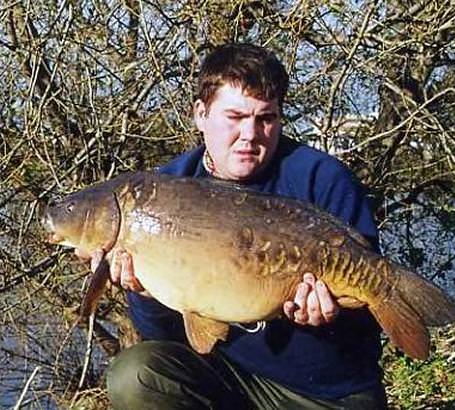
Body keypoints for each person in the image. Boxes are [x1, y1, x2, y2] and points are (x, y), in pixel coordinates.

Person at [88, 43, 387, 409]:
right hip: (233, 380)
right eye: (235, 117)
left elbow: (365, 332)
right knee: (135, 375)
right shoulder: (164, 190)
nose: (250, 134)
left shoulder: (321, 179)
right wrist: (145, 292)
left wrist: (330, 316)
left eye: (266, 118)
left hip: (326, 393)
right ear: (201, 114)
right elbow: (166, 338)